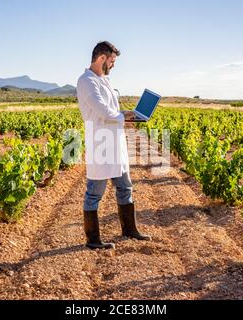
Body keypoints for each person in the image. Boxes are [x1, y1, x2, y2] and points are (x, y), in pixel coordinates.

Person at [76, 41, 152, 250]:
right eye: (112, 60)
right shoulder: (86, 81)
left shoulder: (104, 80)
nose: (113, 65)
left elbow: (112, 110)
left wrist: (127, 115)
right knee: (94, 193)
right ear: (102, 58)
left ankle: (129, 230)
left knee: (125, 187)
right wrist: (123, 117)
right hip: (101, 143)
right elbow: (103, 111)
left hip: (115, 142)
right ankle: (92, 240)